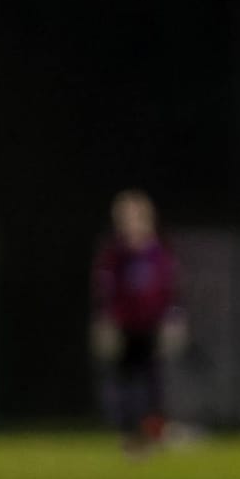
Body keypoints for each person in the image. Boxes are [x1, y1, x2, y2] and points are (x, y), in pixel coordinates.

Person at [90, 189, 184, 453]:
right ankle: (130, 433)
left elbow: (170, 288)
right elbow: (105, 289)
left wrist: (174, 317)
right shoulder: (114, 254)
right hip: (124, 325)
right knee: (125, 381)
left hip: (151, 324)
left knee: (153, 380)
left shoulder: (158, 252)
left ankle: (153, 432)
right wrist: (105, 320)